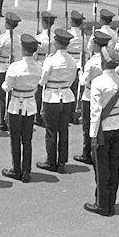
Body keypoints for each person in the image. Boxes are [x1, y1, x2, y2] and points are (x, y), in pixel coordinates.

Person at [84, 45, 119, 217]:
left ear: (102, 62)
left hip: (103, 128)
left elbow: (95, 113)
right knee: (113, 165)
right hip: (118, 124)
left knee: (101, 168)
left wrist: (92, 135)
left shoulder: (98, 82)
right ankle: (111, 202)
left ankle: (102, 204)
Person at [0, 34, 42, 183]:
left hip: (16, 105)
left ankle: (16, 169)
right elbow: (38, 85)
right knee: (27, 140)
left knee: (15, 139)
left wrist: (4, 82)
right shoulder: (38, 67)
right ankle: (26, 171)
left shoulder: (15, 66)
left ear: (23, 49)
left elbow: (7, 87)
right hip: (30, 105)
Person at [37, 28, 78, 173]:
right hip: (66, 96)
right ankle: (62, 162)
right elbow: (73, 80)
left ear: (57, 42)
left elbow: (42, 81)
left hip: (52, 97)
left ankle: (50, 160)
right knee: (63, 130)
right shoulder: (72, 61)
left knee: (51, 130)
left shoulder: (50, 59)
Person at [74, 30, 111, 165]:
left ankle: (87, 153)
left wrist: (80, 73)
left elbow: (84, 81)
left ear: (95, 45)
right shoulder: (108, 59)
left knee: (88, 126)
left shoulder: (92, 62)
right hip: (105, 95)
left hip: (90, 95)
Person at [0, 12, 22, 131]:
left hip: (2, 68)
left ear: (7, 23)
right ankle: (10, 118)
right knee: (11, 94)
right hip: (13, 67)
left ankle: (3, 120)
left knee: (1, 95)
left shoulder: (3, 38)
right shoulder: (18, 38)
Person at [34, 10, 56, 126]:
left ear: (43, 22)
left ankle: (38, 115)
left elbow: (35, 53)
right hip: (51, 63)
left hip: (40, 63)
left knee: (38, 92)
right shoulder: (55, 37)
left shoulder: (39, 37)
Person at [66, 10, 86, 124]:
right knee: (76, 91)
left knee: (69, 89)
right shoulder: (83, 36)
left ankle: (70, 113)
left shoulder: (69, 34)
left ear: (72, 21)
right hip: (79, 64)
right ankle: (74, 112)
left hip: (70, 63)